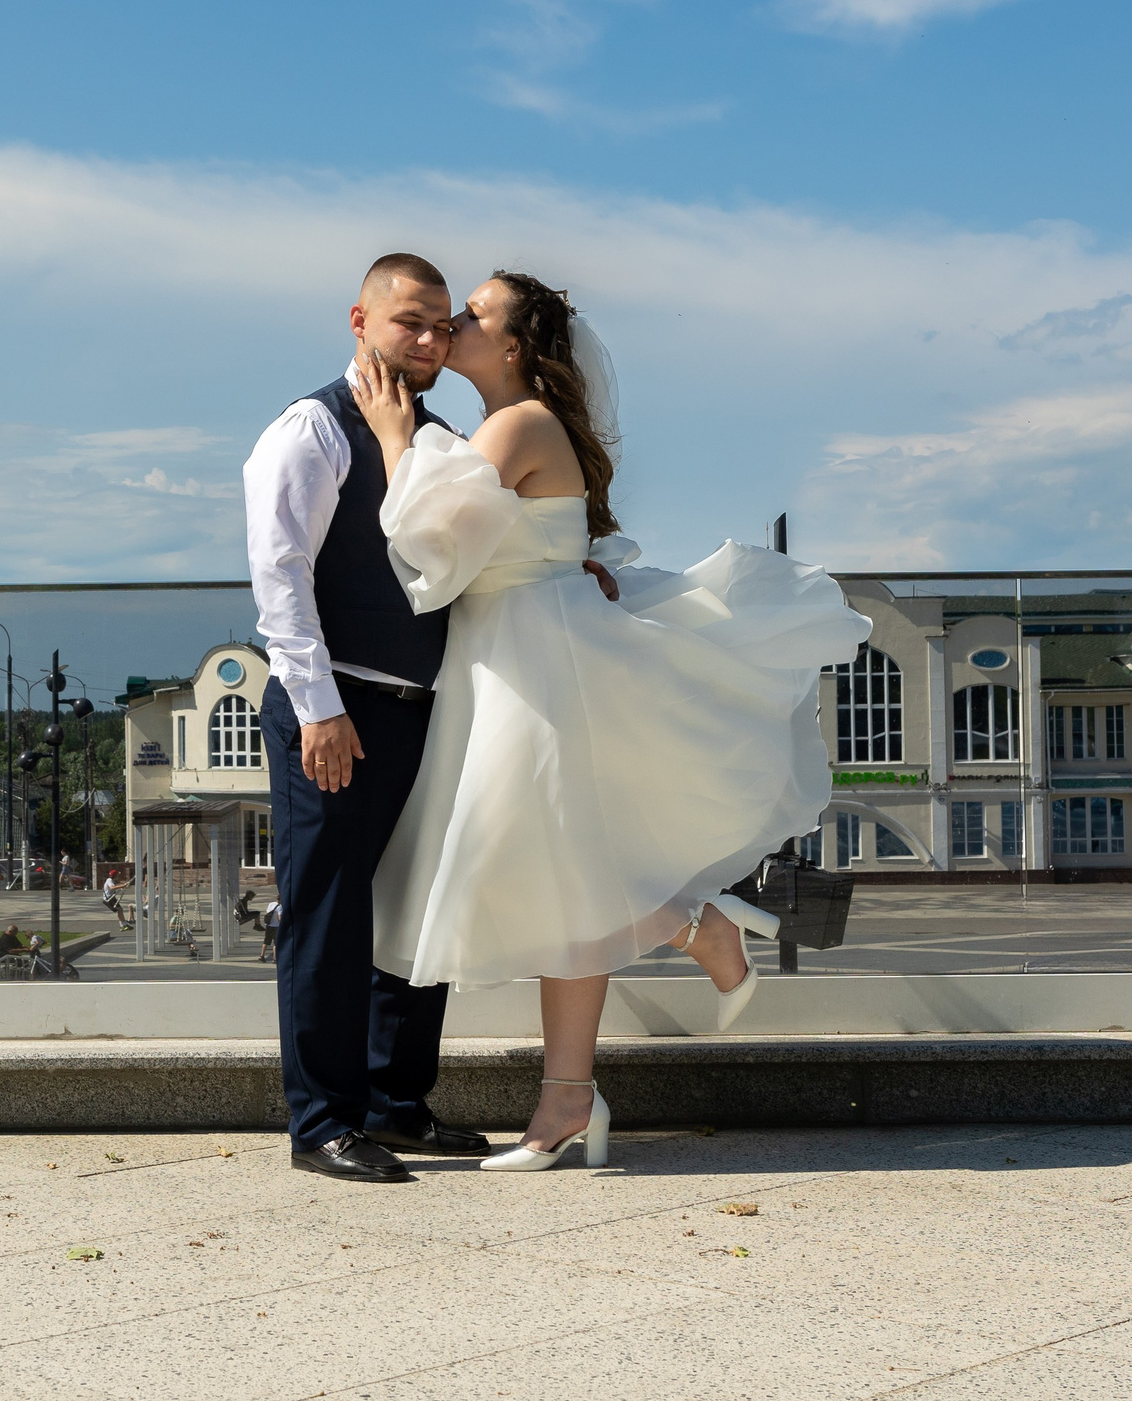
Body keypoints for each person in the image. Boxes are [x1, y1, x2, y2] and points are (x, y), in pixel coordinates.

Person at [355, 270, 868, 1171]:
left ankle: (688, 932)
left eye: (474, 312)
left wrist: (396, 438)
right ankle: (573, 1091)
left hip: (529, 665)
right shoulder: (508, 426)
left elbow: (431, 539)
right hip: (516, 653)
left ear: (515, 345)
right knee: (555, 871)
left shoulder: (516, 423)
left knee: (543, 861)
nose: (454, 322)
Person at [245, 252, 546, 1182]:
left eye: (440, 325)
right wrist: (319, 709)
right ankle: (323, 1124)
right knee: (328, 915)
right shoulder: (311, 427)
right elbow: (280, 576)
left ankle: (395, 1105)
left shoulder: (441, 434)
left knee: (417, 904)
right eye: (408, 321)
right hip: (335, 707)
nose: (427, 339)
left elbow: (479, 549)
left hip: (425, 708)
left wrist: (572, 571)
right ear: (360, 321)